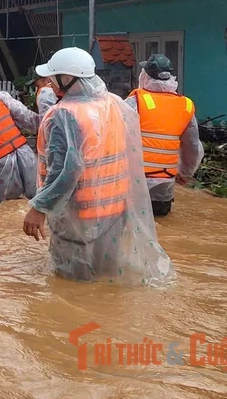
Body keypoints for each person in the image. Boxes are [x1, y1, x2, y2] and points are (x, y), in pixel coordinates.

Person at [22, 47, 174, 285]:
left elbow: (67, 171)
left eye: (54, 77)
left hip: (78, 215)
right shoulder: (113, 103)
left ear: (68, 79)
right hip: (114, 211)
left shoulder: (64, 114)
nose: (50, 82)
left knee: (73, 283)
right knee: (106, 275)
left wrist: (39, 208)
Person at [123, 54, 203, 217]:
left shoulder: (135, 101)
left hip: (136, 180)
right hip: (166, 181)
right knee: (161, 220)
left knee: (137, 225)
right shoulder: (185, 105)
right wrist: (185, 172)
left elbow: (115, 136)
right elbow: (192, 146)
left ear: (145, 76)